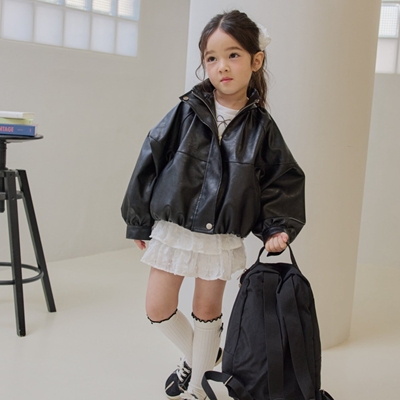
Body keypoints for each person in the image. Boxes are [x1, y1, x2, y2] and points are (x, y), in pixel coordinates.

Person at [121, 9, 306, 400]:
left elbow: (281, 180)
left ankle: (198, 388)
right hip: (175, 227)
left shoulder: (262, 128)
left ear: (256, 60)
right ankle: (201, 360)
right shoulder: (186, 111)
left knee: (207, 311)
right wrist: (138, 219)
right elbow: (150, 158)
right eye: (211, 57)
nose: (222, 66)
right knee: (158, 307)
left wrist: (277, 227)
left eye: (233, 55)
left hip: (220, 233)